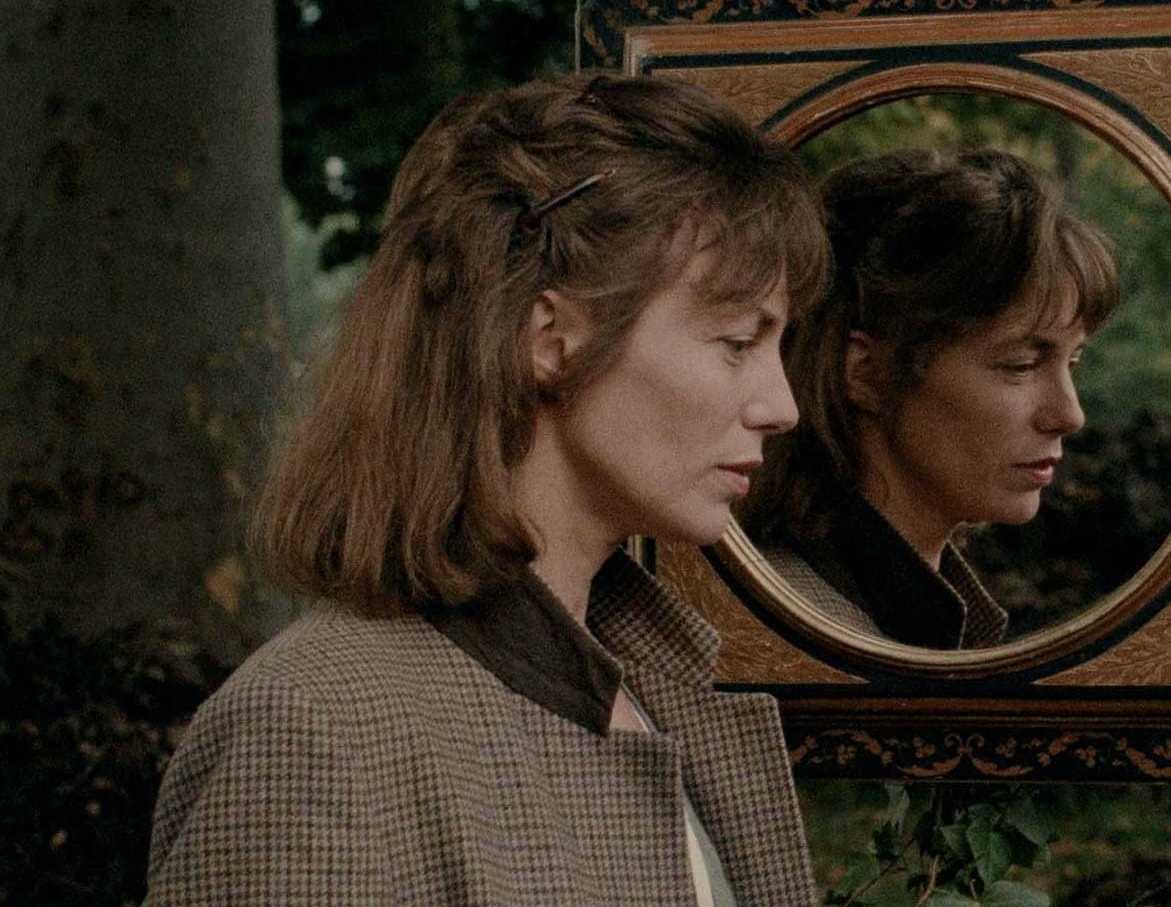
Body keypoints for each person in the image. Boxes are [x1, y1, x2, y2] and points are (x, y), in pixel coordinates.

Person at [145, 72, 829, 906]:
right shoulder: (311, 730)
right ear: (551, 338)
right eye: (737, 341)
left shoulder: (660, 695)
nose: (782, 405)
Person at [742, 147, 1118, 650]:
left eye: (1073, 362)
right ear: (867, 372)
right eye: (1020, 365)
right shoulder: (788, 629)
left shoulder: (934, 621)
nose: (1070, 414)